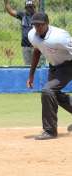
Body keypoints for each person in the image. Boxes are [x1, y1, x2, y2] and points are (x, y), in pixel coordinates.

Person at [27, 11, 72, 140]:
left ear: (47, 23)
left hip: (68, 65)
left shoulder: (59, 37)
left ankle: (50, 131)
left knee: (48, 91)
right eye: (35, 25)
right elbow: (36, 51)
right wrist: (31, 75)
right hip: (55, 66)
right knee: (54, 95)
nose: (37, 28)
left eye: (40, 25)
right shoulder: (32, 35)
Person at [4, 0, 39, 65]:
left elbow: (41, 9)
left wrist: (38, 1)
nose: (29, 9)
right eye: (27, 7)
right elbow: (11, 12)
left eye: (31, 7)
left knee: (38, 65)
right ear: (25, 8)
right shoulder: (22, 15)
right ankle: (30, 75)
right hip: (25, 46)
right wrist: (6, 2)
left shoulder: (38, 16)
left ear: (34, 8)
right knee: (27, 64)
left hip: (36, 45)